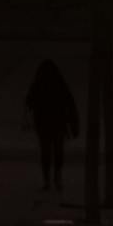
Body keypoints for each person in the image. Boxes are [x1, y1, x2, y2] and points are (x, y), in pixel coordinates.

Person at [25, 58, 78, 195]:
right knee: (58, 150)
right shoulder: (60, 84)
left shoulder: (38, 84)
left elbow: (29, 102)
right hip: (58, 123)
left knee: (46, 151)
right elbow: (70, 103)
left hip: (43, 123)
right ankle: (57, 177)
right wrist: (73, 124)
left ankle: (47, 180)